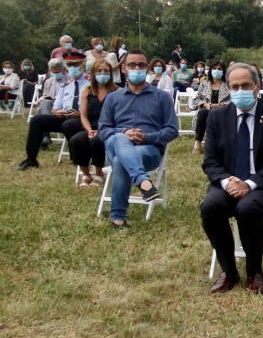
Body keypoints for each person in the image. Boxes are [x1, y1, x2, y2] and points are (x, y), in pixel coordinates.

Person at [201, 63, 263, 295]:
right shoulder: (217, 117)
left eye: (246, 85)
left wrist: (250, 184)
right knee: (210, 207)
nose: (240, 90)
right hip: (228, 183)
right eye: (235, 86)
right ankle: (229, 271)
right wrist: (226, 182)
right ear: (228, 88)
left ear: (257, 86)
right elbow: (210, 161)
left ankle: (254, 272)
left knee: (248, 207)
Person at [96, 50, 179, 228]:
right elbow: (103, 130)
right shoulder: (113, 98)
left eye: (141, 65)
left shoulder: (162, 97)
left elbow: (172, 130)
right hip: (115, 145)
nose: (136, 68)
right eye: (132, 65)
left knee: (120, 160)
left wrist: (145, 137)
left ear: (147, 68)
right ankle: (143, 181)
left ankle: (118, 216)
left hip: (148, 150)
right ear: (124, 69)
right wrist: (125, 133)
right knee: (119, 138)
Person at [17, 57, 85, 170]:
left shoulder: (89, 84)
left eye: (76, 66)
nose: (73, 68)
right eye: (71, 66)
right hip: (64, 116)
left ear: (82, 67)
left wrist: (79, 113)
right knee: (36, 120)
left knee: (68, 125)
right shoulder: (66, 85)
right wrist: (57, 112)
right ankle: (31, 159)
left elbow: (94, 108)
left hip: (81, 118)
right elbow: (55, 107)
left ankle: (77, 159)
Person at [72, 58, 116, 186]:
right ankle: (86, 174)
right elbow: (83, 115)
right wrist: (89, 130)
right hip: (90, 127)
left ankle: (98, 174)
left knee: (98, 141)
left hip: (109, 129)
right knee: (76, 140)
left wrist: (101, 131)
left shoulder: (117, 92)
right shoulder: (87, 90)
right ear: (93, 73)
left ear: (111, 74)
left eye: (106, 71)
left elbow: (118, 117)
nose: (103, 74)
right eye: (99, 71)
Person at [191, 62, 230, 154]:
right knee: (203, 113)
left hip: (222, 111)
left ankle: (218, 144)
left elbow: (233, 100)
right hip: (206, 110)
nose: (217, 70)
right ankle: (197, 143)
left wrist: (221, 105)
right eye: (214, 68)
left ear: (223, 71)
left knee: (210, 113)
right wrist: (205, 104)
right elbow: (196, 99)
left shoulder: (228, 85)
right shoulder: (204, 84)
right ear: (211, 70)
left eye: (219, 69)